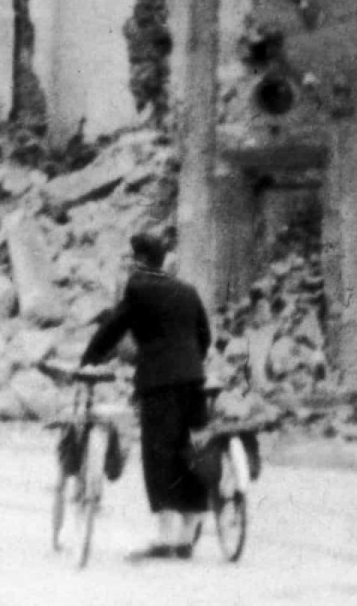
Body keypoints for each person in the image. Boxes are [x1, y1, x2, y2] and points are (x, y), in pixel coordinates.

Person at [81, 232, 212, 561]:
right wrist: (189, 361)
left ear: (139, 260)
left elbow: (114, 326)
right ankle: (186, 537)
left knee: (160, 455)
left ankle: (167, 539)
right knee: (192, 451)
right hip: (194, 380)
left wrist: (89, 358)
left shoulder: (138, 288)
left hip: (159, 384)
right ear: (163, 260)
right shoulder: (187, 290)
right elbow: (204, 337)